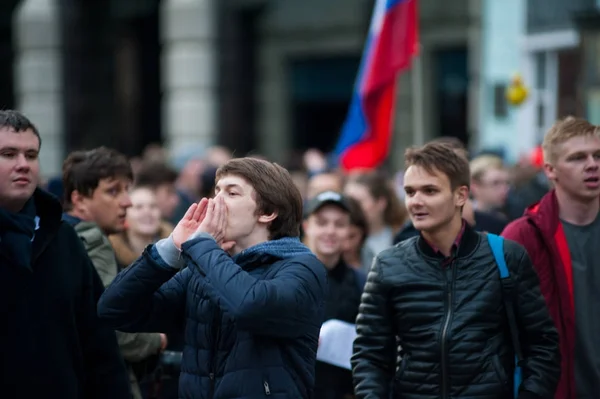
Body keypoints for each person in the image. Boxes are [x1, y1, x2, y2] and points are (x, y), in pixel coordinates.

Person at [98, 157, 328, 399]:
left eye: (231, 193)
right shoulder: (203, 269)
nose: (213, 203)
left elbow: (249, 306)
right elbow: (113, 310)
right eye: (215, 191)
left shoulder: (302, 267)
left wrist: (202, 246)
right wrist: (170, 250)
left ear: (268, 212)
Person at [351, 141, 560, 399]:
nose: (416, 201)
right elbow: (369, 354)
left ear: (460, 195)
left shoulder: (506, 256)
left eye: (429, 190)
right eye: (410, 192)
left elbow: (542, 345)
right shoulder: (388, 264)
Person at [0, 110, 131, 398]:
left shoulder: (63, 239)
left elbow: (100, 348)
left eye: (31, 155)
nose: (23, 164)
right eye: (9, 154)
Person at [502, 117, 600, 399]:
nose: (592, 164)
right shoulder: (524, 237)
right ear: (550, 170)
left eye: (598, 155)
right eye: (578, 158)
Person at [62, 147, 167, 399]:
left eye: (126, 189)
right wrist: (156, 341)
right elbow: (110, 321)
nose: (127, 202)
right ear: (79, 200)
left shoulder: (59, 235)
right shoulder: (90, 238)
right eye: (113, 191)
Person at [303, 191, 365, 399]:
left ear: (349, 231)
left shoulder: (361, 284)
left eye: (339, 224)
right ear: (306, 226)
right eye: (321, 223)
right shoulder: (284, 278)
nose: (330, 231)